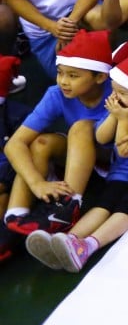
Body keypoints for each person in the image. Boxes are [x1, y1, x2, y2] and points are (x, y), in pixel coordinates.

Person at [25, 48, 128, 273]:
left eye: (122, 92)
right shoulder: (121, 105)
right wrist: (116, 115)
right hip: (125, 169)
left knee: (127, 205)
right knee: (104, 202)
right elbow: (101, 137)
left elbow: (124, 150)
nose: (114, 96)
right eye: (114, 90)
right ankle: (67, 241)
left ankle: (88, 246)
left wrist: (122, 119)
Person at [3, 31, 112, 237]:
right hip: (82, 157)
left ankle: (67, 207)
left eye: (73, 75)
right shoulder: (57, 93)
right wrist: (38, 184)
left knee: (80, 127)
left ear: (100, 76)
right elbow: (14, 144)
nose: (63, 81)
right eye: (60, 72)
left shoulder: (117, 88)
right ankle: (14, 217)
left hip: (118, 157)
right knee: (41, 142)